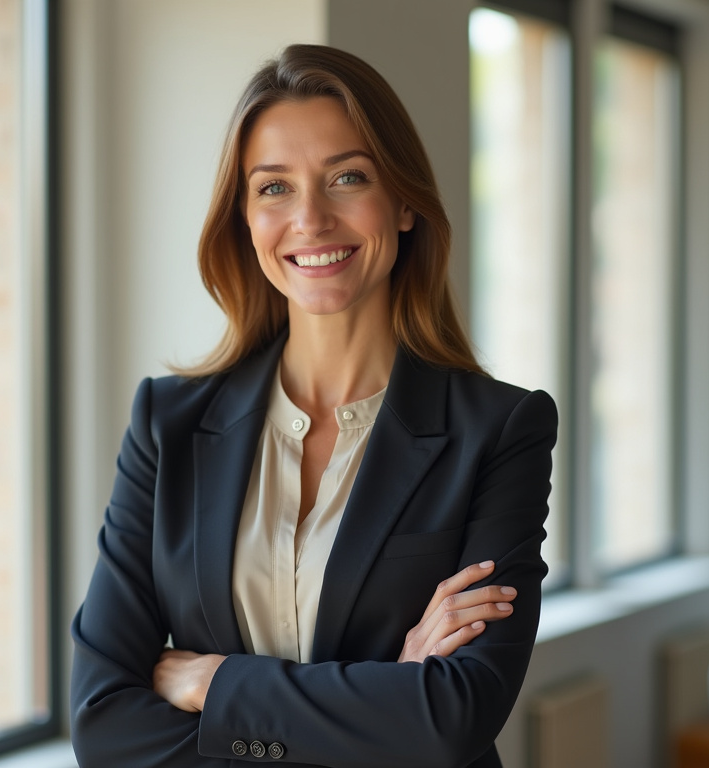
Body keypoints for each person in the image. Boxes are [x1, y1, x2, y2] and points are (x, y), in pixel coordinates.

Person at [70, 44, 557, 768]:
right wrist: (390, 692)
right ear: (242, 218)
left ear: (404, 204)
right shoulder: (167, 426)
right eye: (273, 188)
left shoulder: (499, 430)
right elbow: (105, 726)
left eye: (347, 178)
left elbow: (453, 718)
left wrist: (211, 680)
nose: (310, 217)